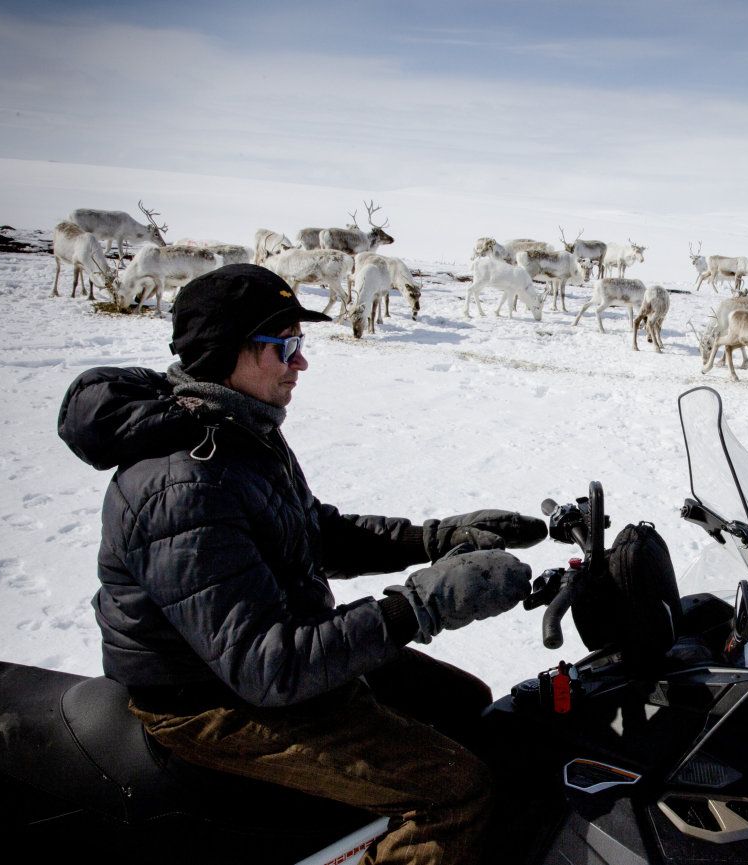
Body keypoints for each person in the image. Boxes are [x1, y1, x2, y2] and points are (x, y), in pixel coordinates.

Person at [57, 263, 546, 865]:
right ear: (225, 352)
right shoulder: (184, 484)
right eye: (285, 346)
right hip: (208, 702)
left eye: (300, 342)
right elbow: (267, 666)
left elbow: (314, 532)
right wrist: (421, 606)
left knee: (464, 702)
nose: (301, 362)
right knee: (454, 793)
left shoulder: (234, 427)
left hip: (263, 664)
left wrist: (437, 538)